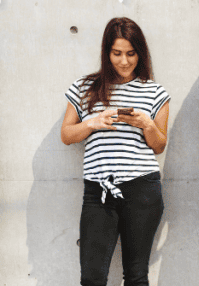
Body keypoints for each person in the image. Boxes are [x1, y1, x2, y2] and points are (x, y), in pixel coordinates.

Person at [61, 17, 170, 286]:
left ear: (140, 54)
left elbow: (159, 145)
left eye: (131, 54)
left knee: (136, 275)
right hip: (98, 189)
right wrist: (92, 123)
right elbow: (66, 135)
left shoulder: (155, 92)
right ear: (107, 53)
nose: (124, 61)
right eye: (117, 53)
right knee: (92, 277)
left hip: (142, 188)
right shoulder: (85, 88)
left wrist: (146, 123)